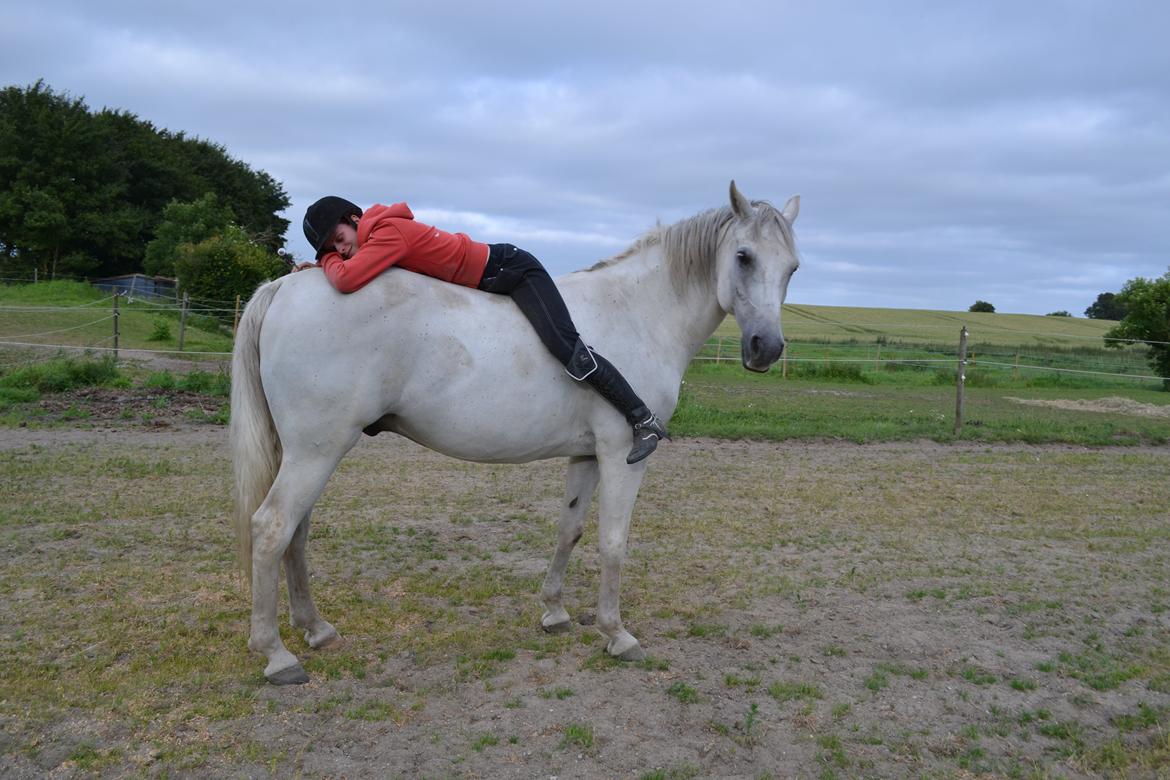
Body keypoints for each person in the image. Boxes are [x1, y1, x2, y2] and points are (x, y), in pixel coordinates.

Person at [299, 196, 668, 464]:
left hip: (514, 271)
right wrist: (324, 264)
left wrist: (326, 261)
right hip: (490, 282)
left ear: (353, 217)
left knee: (567, 349)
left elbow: (347, 280)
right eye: (330, 246)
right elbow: (355, 274)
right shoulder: (377, 241)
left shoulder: (388, 233)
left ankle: (642, 418)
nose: (340, 248)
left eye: (338, 237)